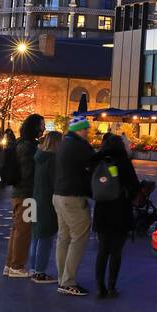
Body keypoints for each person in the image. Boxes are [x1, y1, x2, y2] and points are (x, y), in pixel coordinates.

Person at [91, 133, 139, 299]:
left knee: (102, 250)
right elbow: (135, 187)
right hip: (120, 211)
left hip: (102, 211)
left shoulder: (99, 160)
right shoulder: (124, 162)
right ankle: (112, 286)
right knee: (116, 251)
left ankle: (99, 286)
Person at [53, 117, 97, 296]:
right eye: (85, 129)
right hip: (73, 197)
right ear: (79, 129)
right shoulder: (79, 146)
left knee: (64, 237)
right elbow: (93, 163)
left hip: (58, 195)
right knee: (79, 237)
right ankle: (68, 281)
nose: (87, 132)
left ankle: (62, 277)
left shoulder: (64, 143)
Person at [3, 114, 43, 278]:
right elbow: (28, 172)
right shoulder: (28, 147)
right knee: (24, 231)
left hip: (20, 193)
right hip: (28, 194)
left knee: (17, 229)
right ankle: (17, 266)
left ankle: (10, 264)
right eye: (42, 125)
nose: (44, 128)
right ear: (34, 127)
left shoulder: (22, 143)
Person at [28, 130, 61, 283]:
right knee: (46, 237)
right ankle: (40, 272)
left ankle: (33, 268)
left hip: (35, 199)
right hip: (47, 202)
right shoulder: (53, 159)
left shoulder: (38, 157)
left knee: (36, 236)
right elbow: (56, 182)